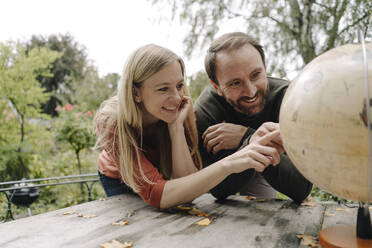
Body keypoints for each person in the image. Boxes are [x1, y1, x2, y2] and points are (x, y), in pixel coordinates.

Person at [94, 44, 283, 209]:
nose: (177, 98)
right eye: (163, 88)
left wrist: (175, 127)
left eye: (179, 85)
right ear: (136, 93)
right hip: (119, 179)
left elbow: (186, 190)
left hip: (161, 180)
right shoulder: (111, 122)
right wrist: (230, 163)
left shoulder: (182, 110)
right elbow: (158, 194)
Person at [194, 32, 312, 202]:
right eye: (235, 83)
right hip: (226, 170)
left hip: (268, 171)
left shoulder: (289, 100)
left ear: (265, 67)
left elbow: (302, 188)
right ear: (217, 86)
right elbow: (219, 190)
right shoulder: (205, 111)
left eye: (256, 74)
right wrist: (254, 141)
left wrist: (247, 137)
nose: (251, 92)